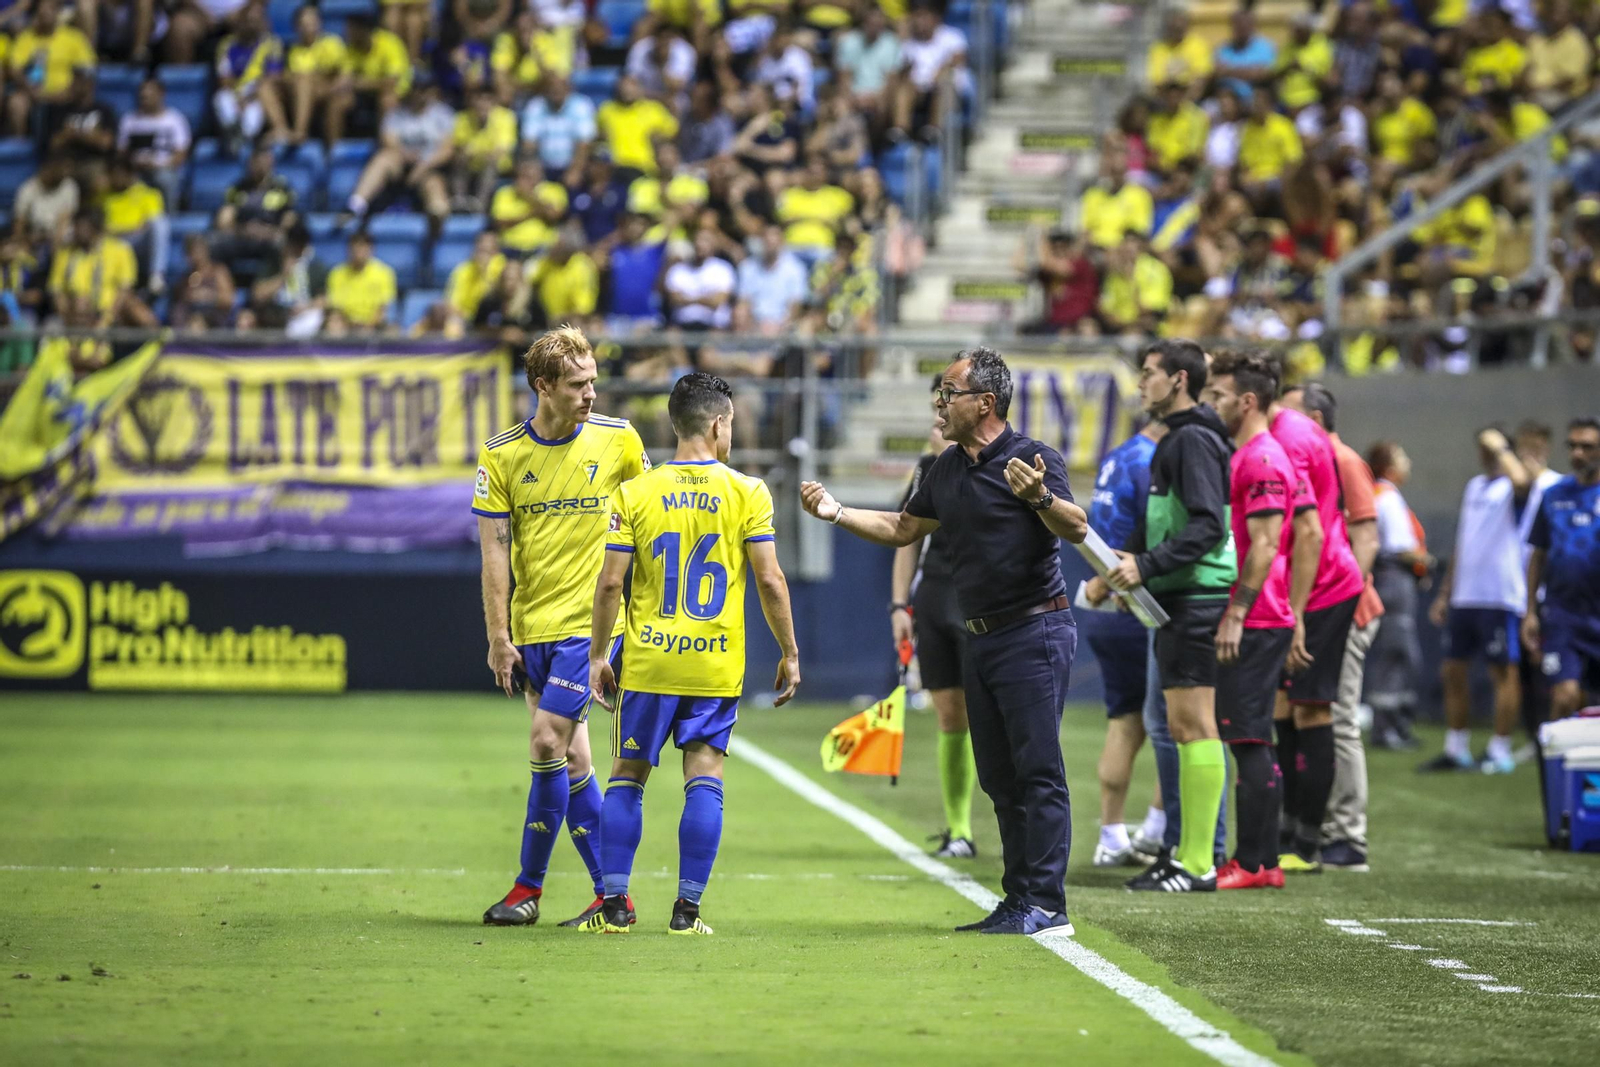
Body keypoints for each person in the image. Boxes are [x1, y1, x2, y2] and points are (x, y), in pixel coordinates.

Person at [801, 346, 1089, 934]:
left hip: (1034, 628)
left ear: (985, 402)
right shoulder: (946, 469)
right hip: (980, 637)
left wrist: (1039, 497)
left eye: (949, 392)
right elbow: (903, 528)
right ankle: (1020, 897)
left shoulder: (1033, 458)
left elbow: (1077, 526)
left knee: (1036, 770)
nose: (939, 403)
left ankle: (1047, 902)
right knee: (998, 775)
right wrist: (836, 511)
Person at [583, 373, 800, 936]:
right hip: (714, 662)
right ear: (719, 423)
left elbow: (610, 585)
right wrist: (789, 652)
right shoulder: (748, 491)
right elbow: (771, 579)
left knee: (627, 775)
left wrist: (598, 656)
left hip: (650, 663)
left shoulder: (634, 493)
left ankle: (613, 908)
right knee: (704, 775)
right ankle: (687, 912)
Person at [474, 326, 652, 930]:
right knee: (573, 762)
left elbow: (648, 528)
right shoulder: (501, 457)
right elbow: (494, 553)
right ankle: (613, 897)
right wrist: (500, 636)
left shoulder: (620, 442)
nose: (591, 394)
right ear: (542, 386)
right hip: (533, 629)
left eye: (594, 381)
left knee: (548, 742)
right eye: (578, 385)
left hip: (591, 627)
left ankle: (527, 889)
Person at [1105, 339, 1234, 893]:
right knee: (1180, 727)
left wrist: (1146, 565)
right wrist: (1117, 566)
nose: (1141, 384)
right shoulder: (1176, 440)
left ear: (1180, 380)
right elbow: (1158, 522)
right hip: (1178, 595)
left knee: (1194, 725)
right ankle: (1186, 852)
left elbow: (1208, 525)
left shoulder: (1195, 440)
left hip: (1197, 598)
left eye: (1150, 374)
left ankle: (1199, 862)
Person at [1280, 381, 1382, 872]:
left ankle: (1348, 836)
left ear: (1315, 421)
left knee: (1335, 720)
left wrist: (1346, 604)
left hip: (1341, 609)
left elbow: (1366, 533)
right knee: (1306, 715)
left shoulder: (1342, 459)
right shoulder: (1304, 458)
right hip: (1312, 605)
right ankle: (1314, 826)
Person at [1202, 351, 1294, 890]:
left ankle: (1257, 863)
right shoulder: (1246, 454)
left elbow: (1264, 544)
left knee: (1249, 738)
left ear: (1248, 400)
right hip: (1254, 613)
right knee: (1249, 737)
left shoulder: (1262, 460)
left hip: (1256, 618)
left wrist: (1237, 611)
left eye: (1218, 396)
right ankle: (1261, 859)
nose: (1212, 405)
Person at [890, 380, 976, 859]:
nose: (936, 421)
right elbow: (907, 536)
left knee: (997, 719)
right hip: (937, 599)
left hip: (981, 603)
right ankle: (959, 829)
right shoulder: (928, 468)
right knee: (949, 714)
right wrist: (900, 606)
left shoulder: (1001, 463)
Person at [1079, 419, 1168, 867]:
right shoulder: (1160, 460)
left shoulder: (1118, 456)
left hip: (1105, 598)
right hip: (1141, 601)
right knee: (1173, 725)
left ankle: (1112, 834)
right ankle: (1156, 830)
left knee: (1125, 722)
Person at [1422, 427, 1534, 775]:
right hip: (1465, 596)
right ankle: (1457, 749)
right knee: (1452, 670)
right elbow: (1463, 541)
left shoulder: (1513, 488)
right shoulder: (1475, 486)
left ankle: (1499, 750)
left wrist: (1498, 443)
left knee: (1503, 672)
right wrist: (1445, 592)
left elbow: (1521, 480)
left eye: (1492, 448)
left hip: (1499, 596)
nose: (1484, 453)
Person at [1524, 417, 1600, 722]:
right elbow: (1537, 554)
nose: (1578, 453)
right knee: (1564, 695)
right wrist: (1530, 610)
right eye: (1573, 446)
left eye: (1588, 447)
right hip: (1563, 614)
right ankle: (1555, 768)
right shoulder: (1554, 495)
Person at [1366, 441, 1430, 750]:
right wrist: (1426, 562)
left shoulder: (1377, 494)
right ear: (1389, 465)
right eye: (1402, 456)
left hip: (1385, 579)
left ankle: (1395, 727)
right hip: (1394, 580)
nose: (1408, 462)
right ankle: (1388, 730)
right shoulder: (1388, 497)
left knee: (1398, 654)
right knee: (1397, 655)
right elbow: (1403, 548)